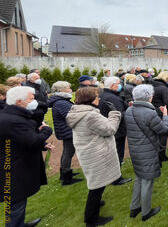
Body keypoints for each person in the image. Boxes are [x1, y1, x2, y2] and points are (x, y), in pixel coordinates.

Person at [66, 87, 121, 227]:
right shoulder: (90, 115)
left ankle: (96, 203)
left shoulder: (77, 111)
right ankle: (91, 218)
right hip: (96, 153)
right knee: (96, 186)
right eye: (97, 96)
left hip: (89, 151)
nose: (99, 99)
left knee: (97, 183)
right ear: (89, 99)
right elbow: (110, 129)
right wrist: (114, 114)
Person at [0, 86, 53, 227]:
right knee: (15, 205)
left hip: (16, 164)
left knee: (18, 203)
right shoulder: (13, 120)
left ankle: (20, 224)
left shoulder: (13, 116)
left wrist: (42, 144)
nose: (34, 101)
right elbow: (32, 141)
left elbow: (18, 140)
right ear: (19, 102)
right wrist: (47, 130)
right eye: (31, 99)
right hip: (14, 169)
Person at [124, 85, 168, 221]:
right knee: (147, 181)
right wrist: (165, 116)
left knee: (139, 177)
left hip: (135, 150)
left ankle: (134, 207)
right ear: (149, 97)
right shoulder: (149, 113)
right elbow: (163, 130)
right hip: (147, 150)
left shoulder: (129, 110)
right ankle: (146, 211)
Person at [98, 77, 132, 186]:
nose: (120, 85)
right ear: (112, 85)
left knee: (113, 153)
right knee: (117, 154)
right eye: (118, 84)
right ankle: (116, 178)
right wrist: (128, 110)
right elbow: (118, 114)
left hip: (109, 127)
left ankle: (111, 176)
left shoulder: (104, 95)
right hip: (117, 130)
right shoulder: (112, 98)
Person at [48, 81, 82, 186]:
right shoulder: (61, 102)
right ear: (61, 90)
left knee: (67, 151)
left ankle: (64, 172)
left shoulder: (61, 100)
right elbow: (70, 116)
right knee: (68, 152)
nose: (70, 89)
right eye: (68, 87)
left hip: (65, 129)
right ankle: (66, 177)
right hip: (67, 130)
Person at [151, 71, 168, 161]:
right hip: (162, 112)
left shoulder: (152, 86)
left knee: (154, 134)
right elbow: (167, 102)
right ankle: (161, 155)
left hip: (152, 111)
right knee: (163, 133)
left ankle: (156, 153)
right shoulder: (163, 88)